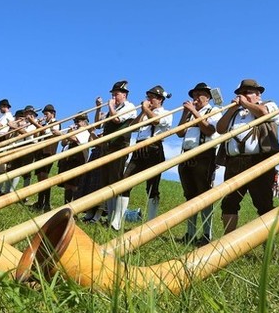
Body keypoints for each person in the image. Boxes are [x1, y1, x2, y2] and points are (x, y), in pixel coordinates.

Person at [215, 78, 279, 235]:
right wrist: (231, 110)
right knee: (229, 201)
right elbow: (220, 128)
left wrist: (245, 103)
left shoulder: (269, 104)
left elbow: (264, 113)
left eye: (247, 92)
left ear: (258, 94)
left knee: (263, 203)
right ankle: (227, 242)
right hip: (234, 162)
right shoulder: (234, 112)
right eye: (241, 93)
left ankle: (268, 246)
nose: (243, 95)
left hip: (259, 160)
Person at [86, 81, 138, 229]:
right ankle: (109, 216)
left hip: (119, 147)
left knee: (115, 181)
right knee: (106, 181)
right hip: (107, 148)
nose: (114, 96)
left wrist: (110, 106)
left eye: (116, 94)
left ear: (124, 94)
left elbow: (116, 119)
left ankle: (115, 218)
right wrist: (98, 108)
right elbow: (98, 124)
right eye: (113, 94)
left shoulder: (129, 107)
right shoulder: (113, 108)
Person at [176, 82, 221, 245]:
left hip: (204, 155)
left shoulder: (213, 110)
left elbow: (210, 130)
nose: (195, 98)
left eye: (199, 95)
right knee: (189, 195)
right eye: (194, 95)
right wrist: (184, 114)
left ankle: (207, 235)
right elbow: (179, 133)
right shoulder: (189, 114)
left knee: (204, 195)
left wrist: (194, 112)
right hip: (186, 155)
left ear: (207, 97)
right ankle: (190, 233)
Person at [120, 86, 174, 222]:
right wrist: (143, 112)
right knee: (125, 182)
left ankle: (151, 221)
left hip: (154, 149)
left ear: (160, 99)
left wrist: (146, 109)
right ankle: (117, 221)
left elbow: (156, 121)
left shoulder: (166, 113)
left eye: (151, 97)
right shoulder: (145, 113)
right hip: (139, 149)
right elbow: (133, 127)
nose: (148, 99)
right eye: (147, 97)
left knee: (152, 187)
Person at [57, 112, 95, 205]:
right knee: (67, 185)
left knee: (75, 185)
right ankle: (66, 205)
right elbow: (64, 143)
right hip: (69, 159)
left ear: (84, 121)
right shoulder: (75, 130)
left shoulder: (85, 130)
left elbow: (75, 139)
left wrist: (61, 134)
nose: (76, 123)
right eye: (75, 121)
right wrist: (68, 132)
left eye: (78, 121)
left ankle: (73, 207)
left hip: (78, 160)